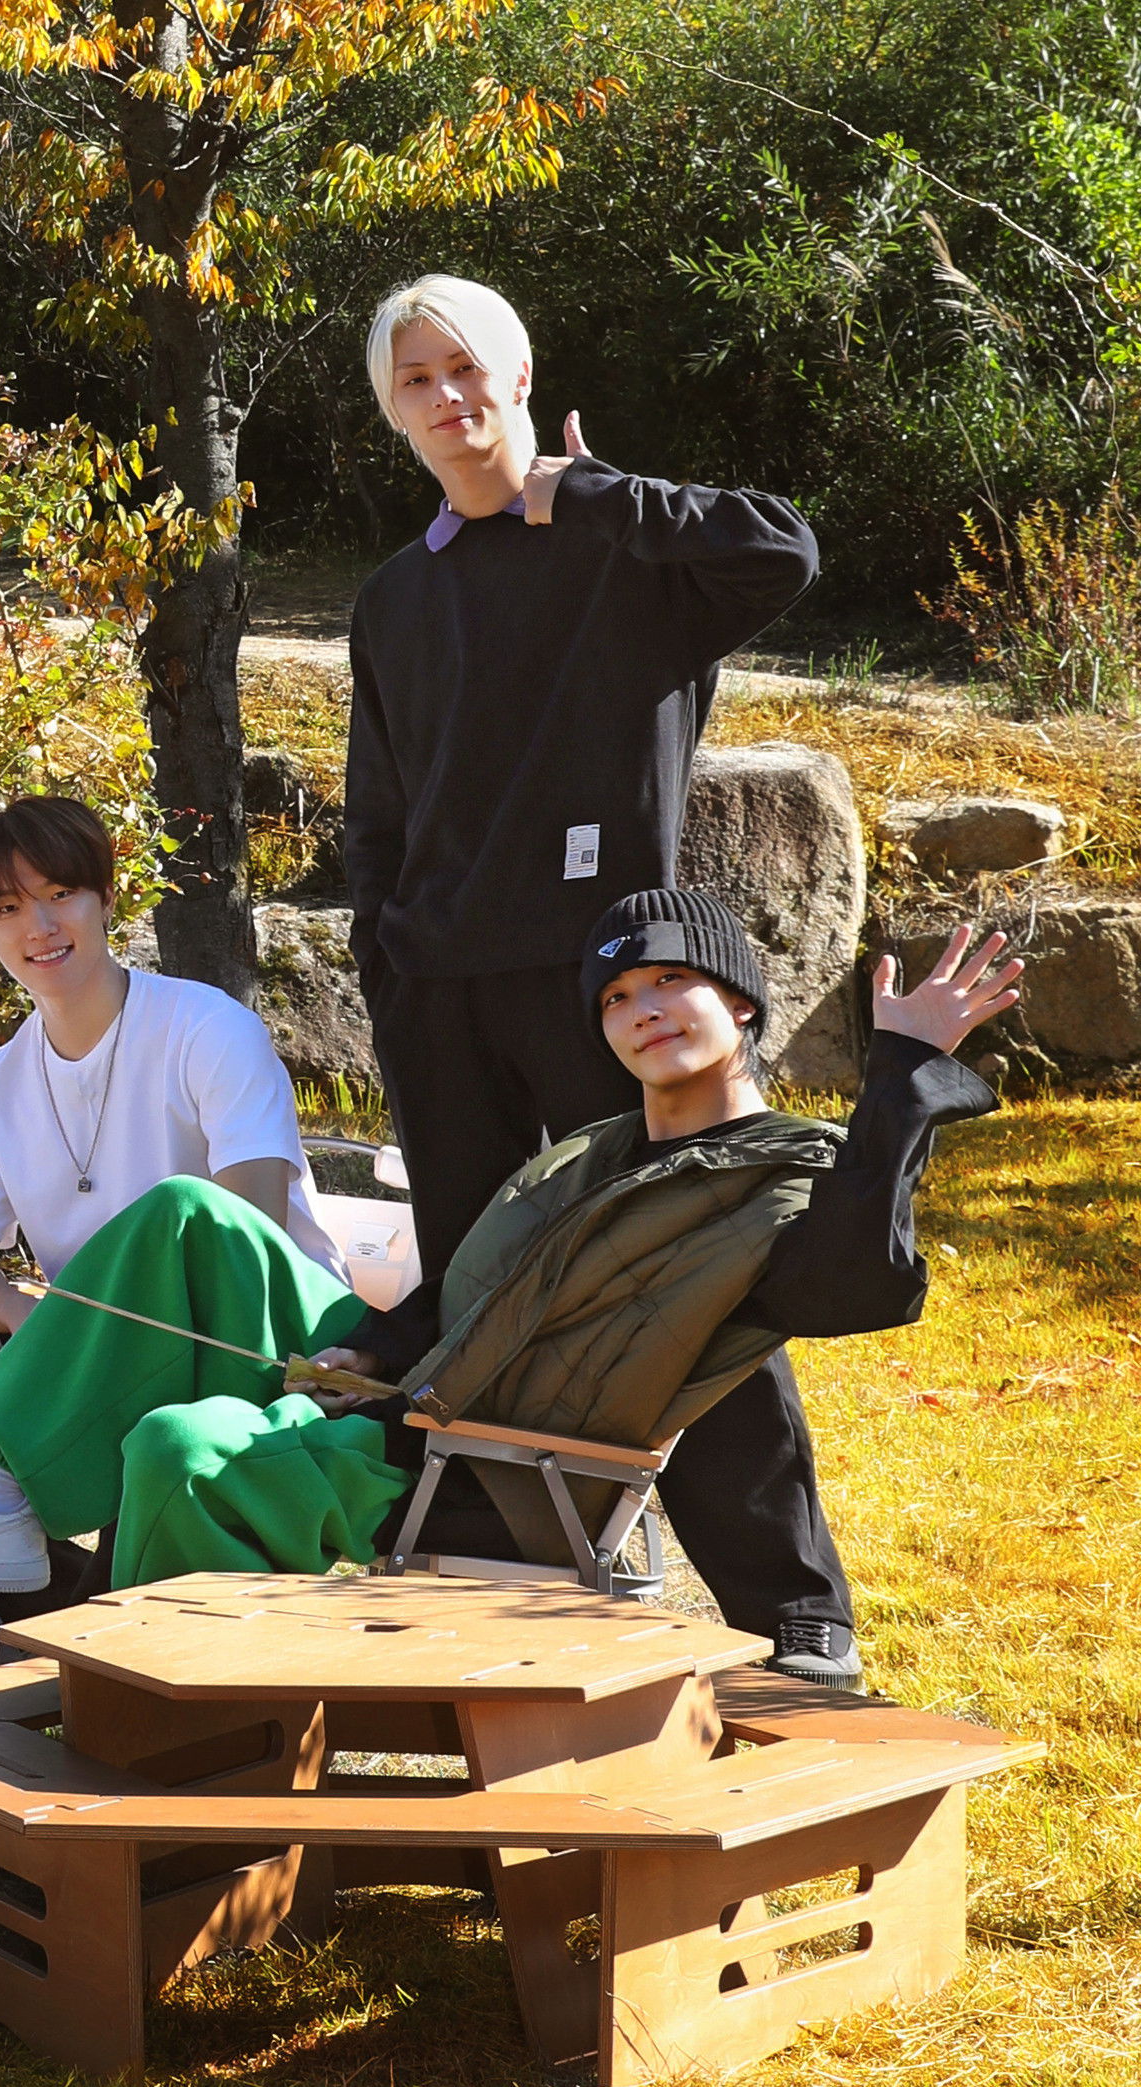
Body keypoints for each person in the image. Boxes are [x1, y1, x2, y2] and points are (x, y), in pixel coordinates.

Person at [0, 889, 1014, 1693]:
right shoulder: (591, 1155)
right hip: (417, 1393)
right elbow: (470, 1290)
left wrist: (903, 1081)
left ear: (738, 1000)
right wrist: (376, 1351)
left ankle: (147, 1724)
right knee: (187, 1216)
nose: (641, 1012)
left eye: (668, 985)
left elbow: (855, 1284)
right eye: (615, 999)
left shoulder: (778, 1176)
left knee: (179, 1444)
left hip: (484, 1463)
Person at [343, 272, 852, 1664]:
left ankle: (794, 1616)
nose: (446, 398)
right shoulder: (396, 596)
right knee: (480, 1301)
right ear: (394, 412)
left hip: (605, 990)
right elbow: (379, 810)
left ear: (518, 374)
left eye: (465, 367)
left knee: (686, 1286)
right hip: (441, 996)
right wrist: (388, 963)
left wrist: (604, 494)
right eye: (415, 380)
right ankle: (515, 1600)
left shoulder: (627, 548)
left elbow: (783, 552)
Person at [0, 795, 337, 1582]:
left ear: (105, 896)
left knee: (182, 1210)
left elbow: (243, 1236)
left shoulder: (207, 1028)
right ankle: (18, 1580)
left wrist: (78, 1329)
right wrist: (39, 1321)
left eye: (59, 894)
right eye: (7, 908)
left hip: (263, 1333)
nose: (38, 926)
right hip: (102, 1348)